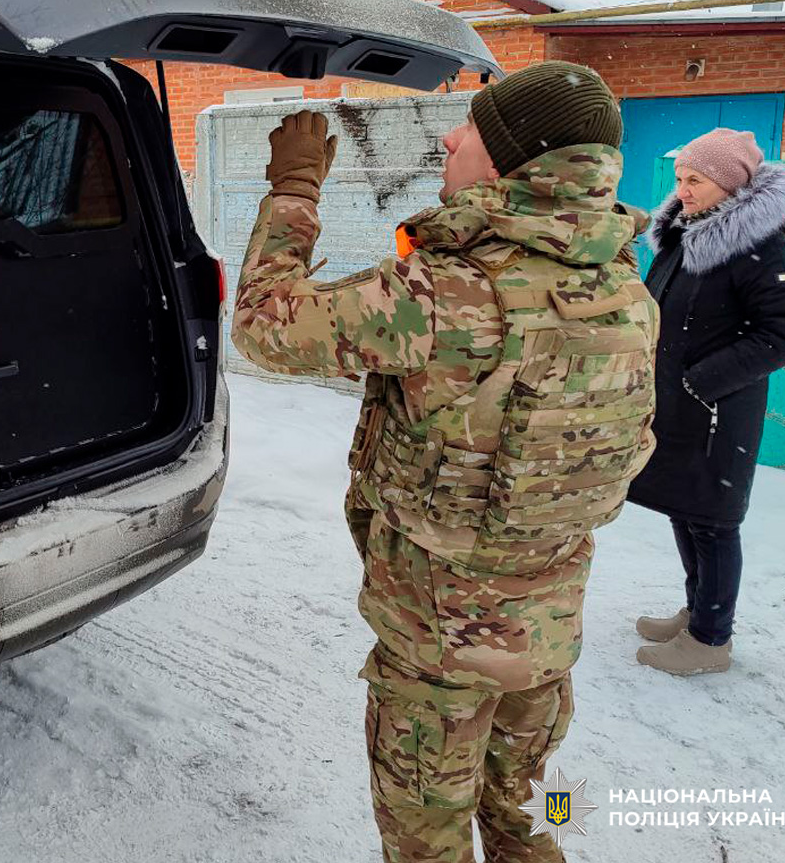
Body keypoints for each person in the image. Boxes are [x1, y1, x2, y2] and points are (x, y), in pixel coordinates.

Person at [232, 62, 658, 863]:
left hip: (439, 641)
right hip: (547, 635)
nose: (452, 138)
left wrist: (294, 190)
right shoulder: (623, 285)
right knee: (531, 813)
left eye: (471, 128)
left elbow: (264, 327)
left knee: (426, 837)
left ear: (508, 162)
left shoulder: (444, 293)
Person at [628, 128, 785, 676]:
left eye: (696, 180)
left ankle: (711, 640)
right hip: (681, 406)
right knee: (687, 513)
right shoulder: (687, 234)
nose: (683, 190)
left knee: (713, 522)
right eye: (681, 178)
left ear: (731, 185)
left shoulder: (762, 247)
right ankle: (697, 611)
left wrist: (701, 381)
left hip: (717, 411)